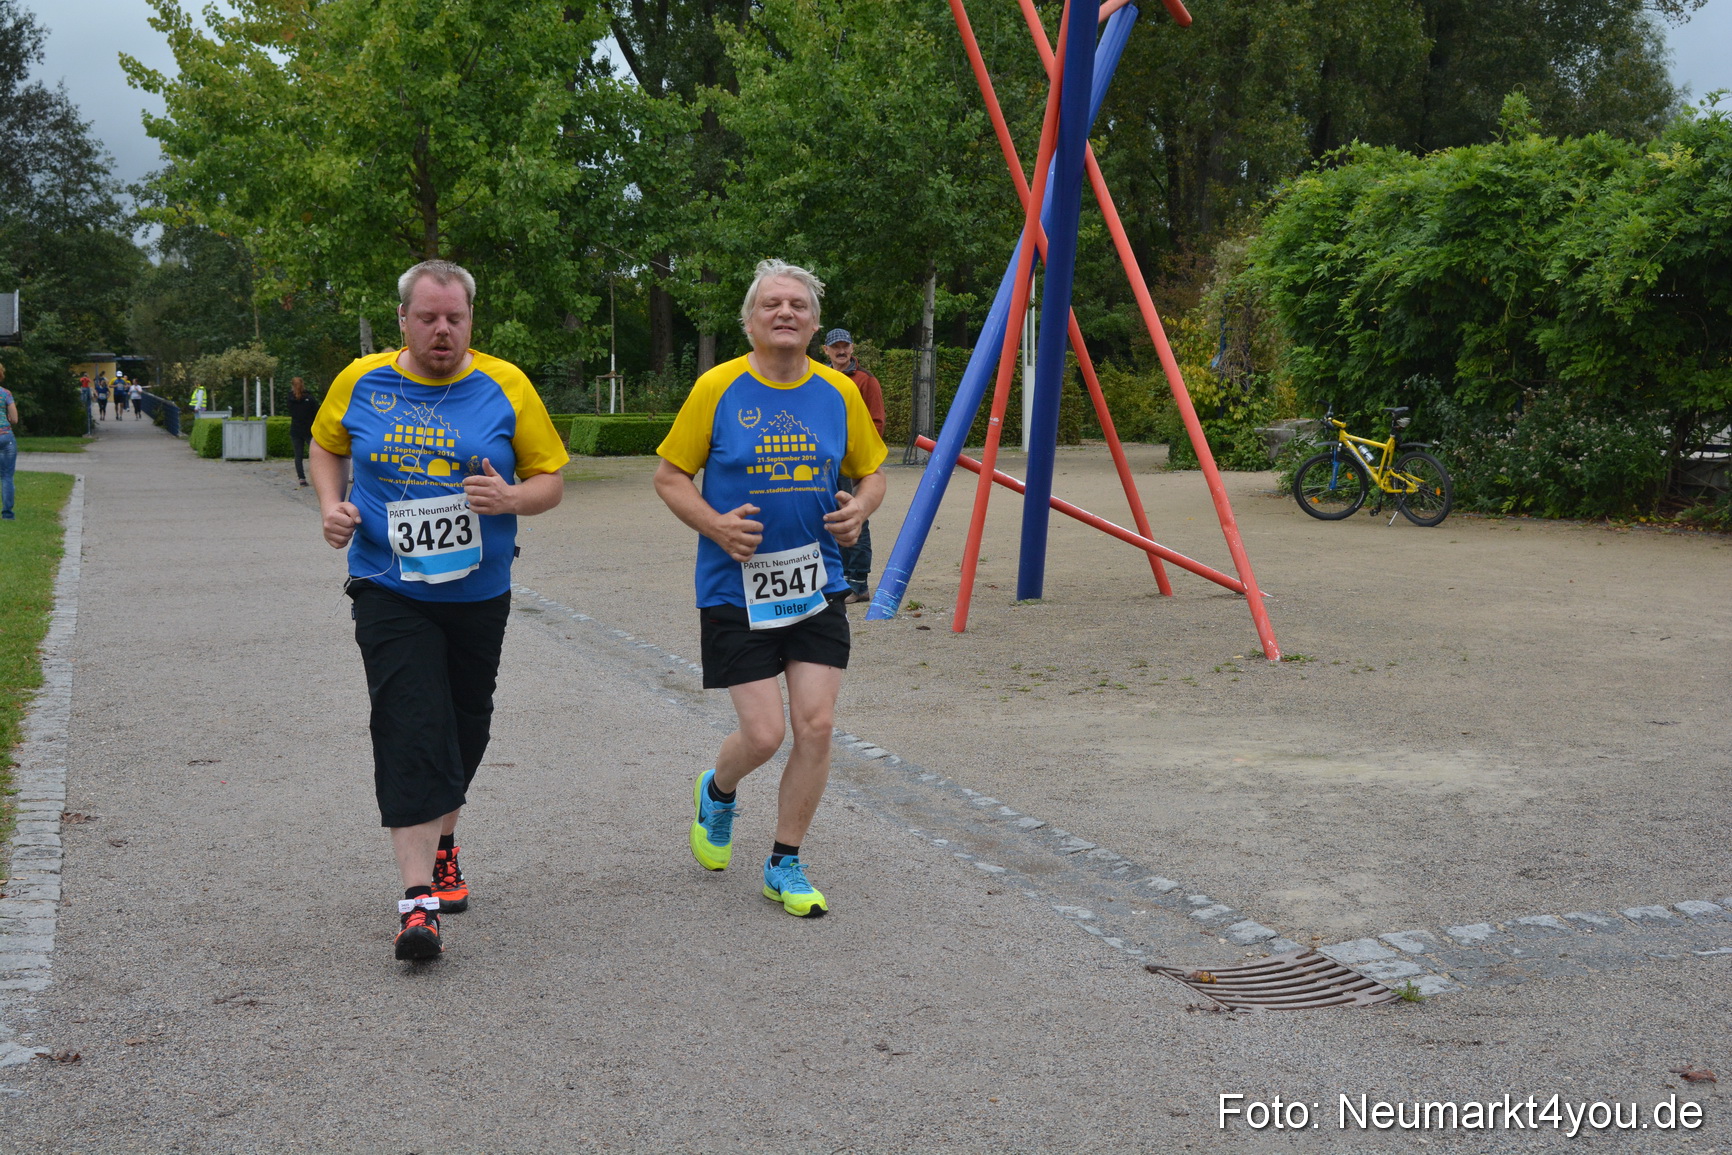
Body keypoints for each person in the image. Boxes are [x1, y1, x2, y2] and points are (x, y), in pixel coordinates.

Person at [309, 259, 569, 962]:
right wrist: (332, 505)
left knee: (463, 726)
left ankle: (443, 839)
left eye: (455, 318)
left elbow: (551, 479)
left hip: (477, 591)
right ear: (403, 319)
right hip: (387, 584)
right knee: (408, 718)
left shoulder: (506, 384)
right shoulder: (361, 380)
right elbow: (325, 445)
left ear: (470, 320)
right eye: (428, 318)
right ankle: (418, 898)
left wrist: (512, 498)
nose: (443, 330)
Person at [654, 259, 887, 918]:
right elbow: (670, 475)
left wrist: (860, 509)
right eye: (772, 305)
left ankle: (785, 861)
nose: (786, 313)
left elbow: (872, 473)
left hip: (816, 583)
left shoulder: (837, 393)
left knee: (816, 725)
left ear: (814, 324)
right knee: (763, 734)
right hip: (735, 587)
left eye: (798, 306)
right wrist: (716, 524)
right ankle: (718, 789)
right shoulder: (717, 387)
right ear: (751, 321)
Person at [820, 329, 886, 603]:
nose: (841, 350)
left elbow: (876, 423)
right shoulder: (817, 378)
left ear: (852, 347)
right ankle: (835, 578)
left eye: (845, 345)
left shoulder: (866, 380)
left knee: (855, 517)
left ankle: (858, 583)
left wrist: (858, 456)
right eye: (835, 346)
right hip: (823, 461)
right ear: (826, 350)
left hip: (848, 461)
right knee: (826, 518)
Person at [286, 377, 317, 487]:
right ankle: (317, 477)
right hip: (309, 429)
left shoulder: (290, 399)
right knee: (315, 455)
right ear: (303, 384)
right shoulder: (309, 398)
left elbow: (291, 412)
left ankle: (301, 478)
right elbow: (316, 412)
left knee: (298, 455)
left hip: (295, 429)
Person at [0, 362, 16, 520]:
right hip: (5, 437)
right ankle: (7, 514)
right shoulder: (6, 393)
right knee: (6, 476)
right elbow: (15, 419)